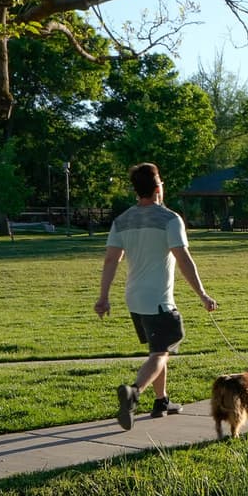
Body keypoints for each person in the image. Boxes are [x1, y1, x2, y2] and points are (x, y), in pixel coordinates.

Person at [94, 162, 217, 429]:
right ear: (158, 187)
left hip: (134, 298)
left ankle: (162, 401)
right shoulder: (170, 219)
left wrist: (103, 297)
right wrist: (203, 294)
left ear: (136, 190)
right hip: (159, 300)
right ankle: (133, 392)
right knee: (161, 352)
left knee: (158, 349)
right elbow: (183, 259)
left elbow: (110, 261)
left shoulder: (122, 220)